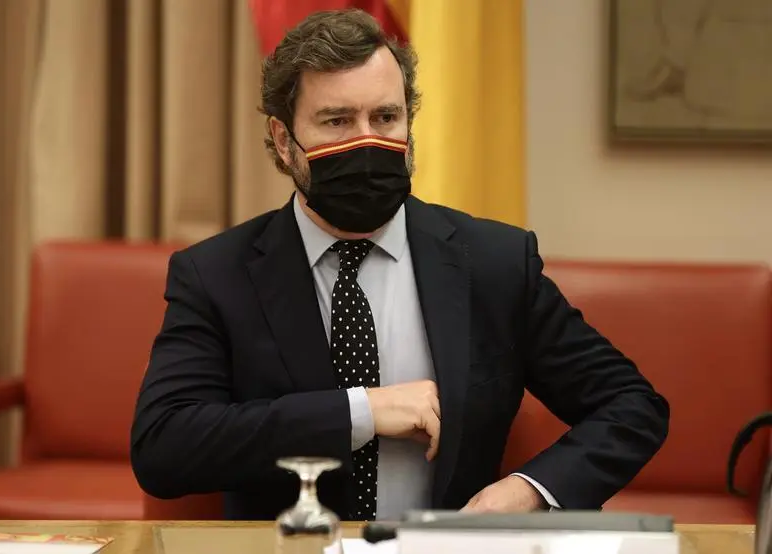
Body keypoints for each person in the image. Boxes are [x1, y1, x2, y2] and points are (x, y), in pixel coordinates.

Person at [130, 8, 669, 522]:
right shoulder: (216, 274)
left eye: (385, 117)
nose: (366, 141)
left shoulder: (494, 263)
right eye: (338, 121)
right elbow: (163, 446)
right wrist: (359, 413)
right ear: (283, 140)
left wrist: (531, 491)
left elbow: (631, 406)